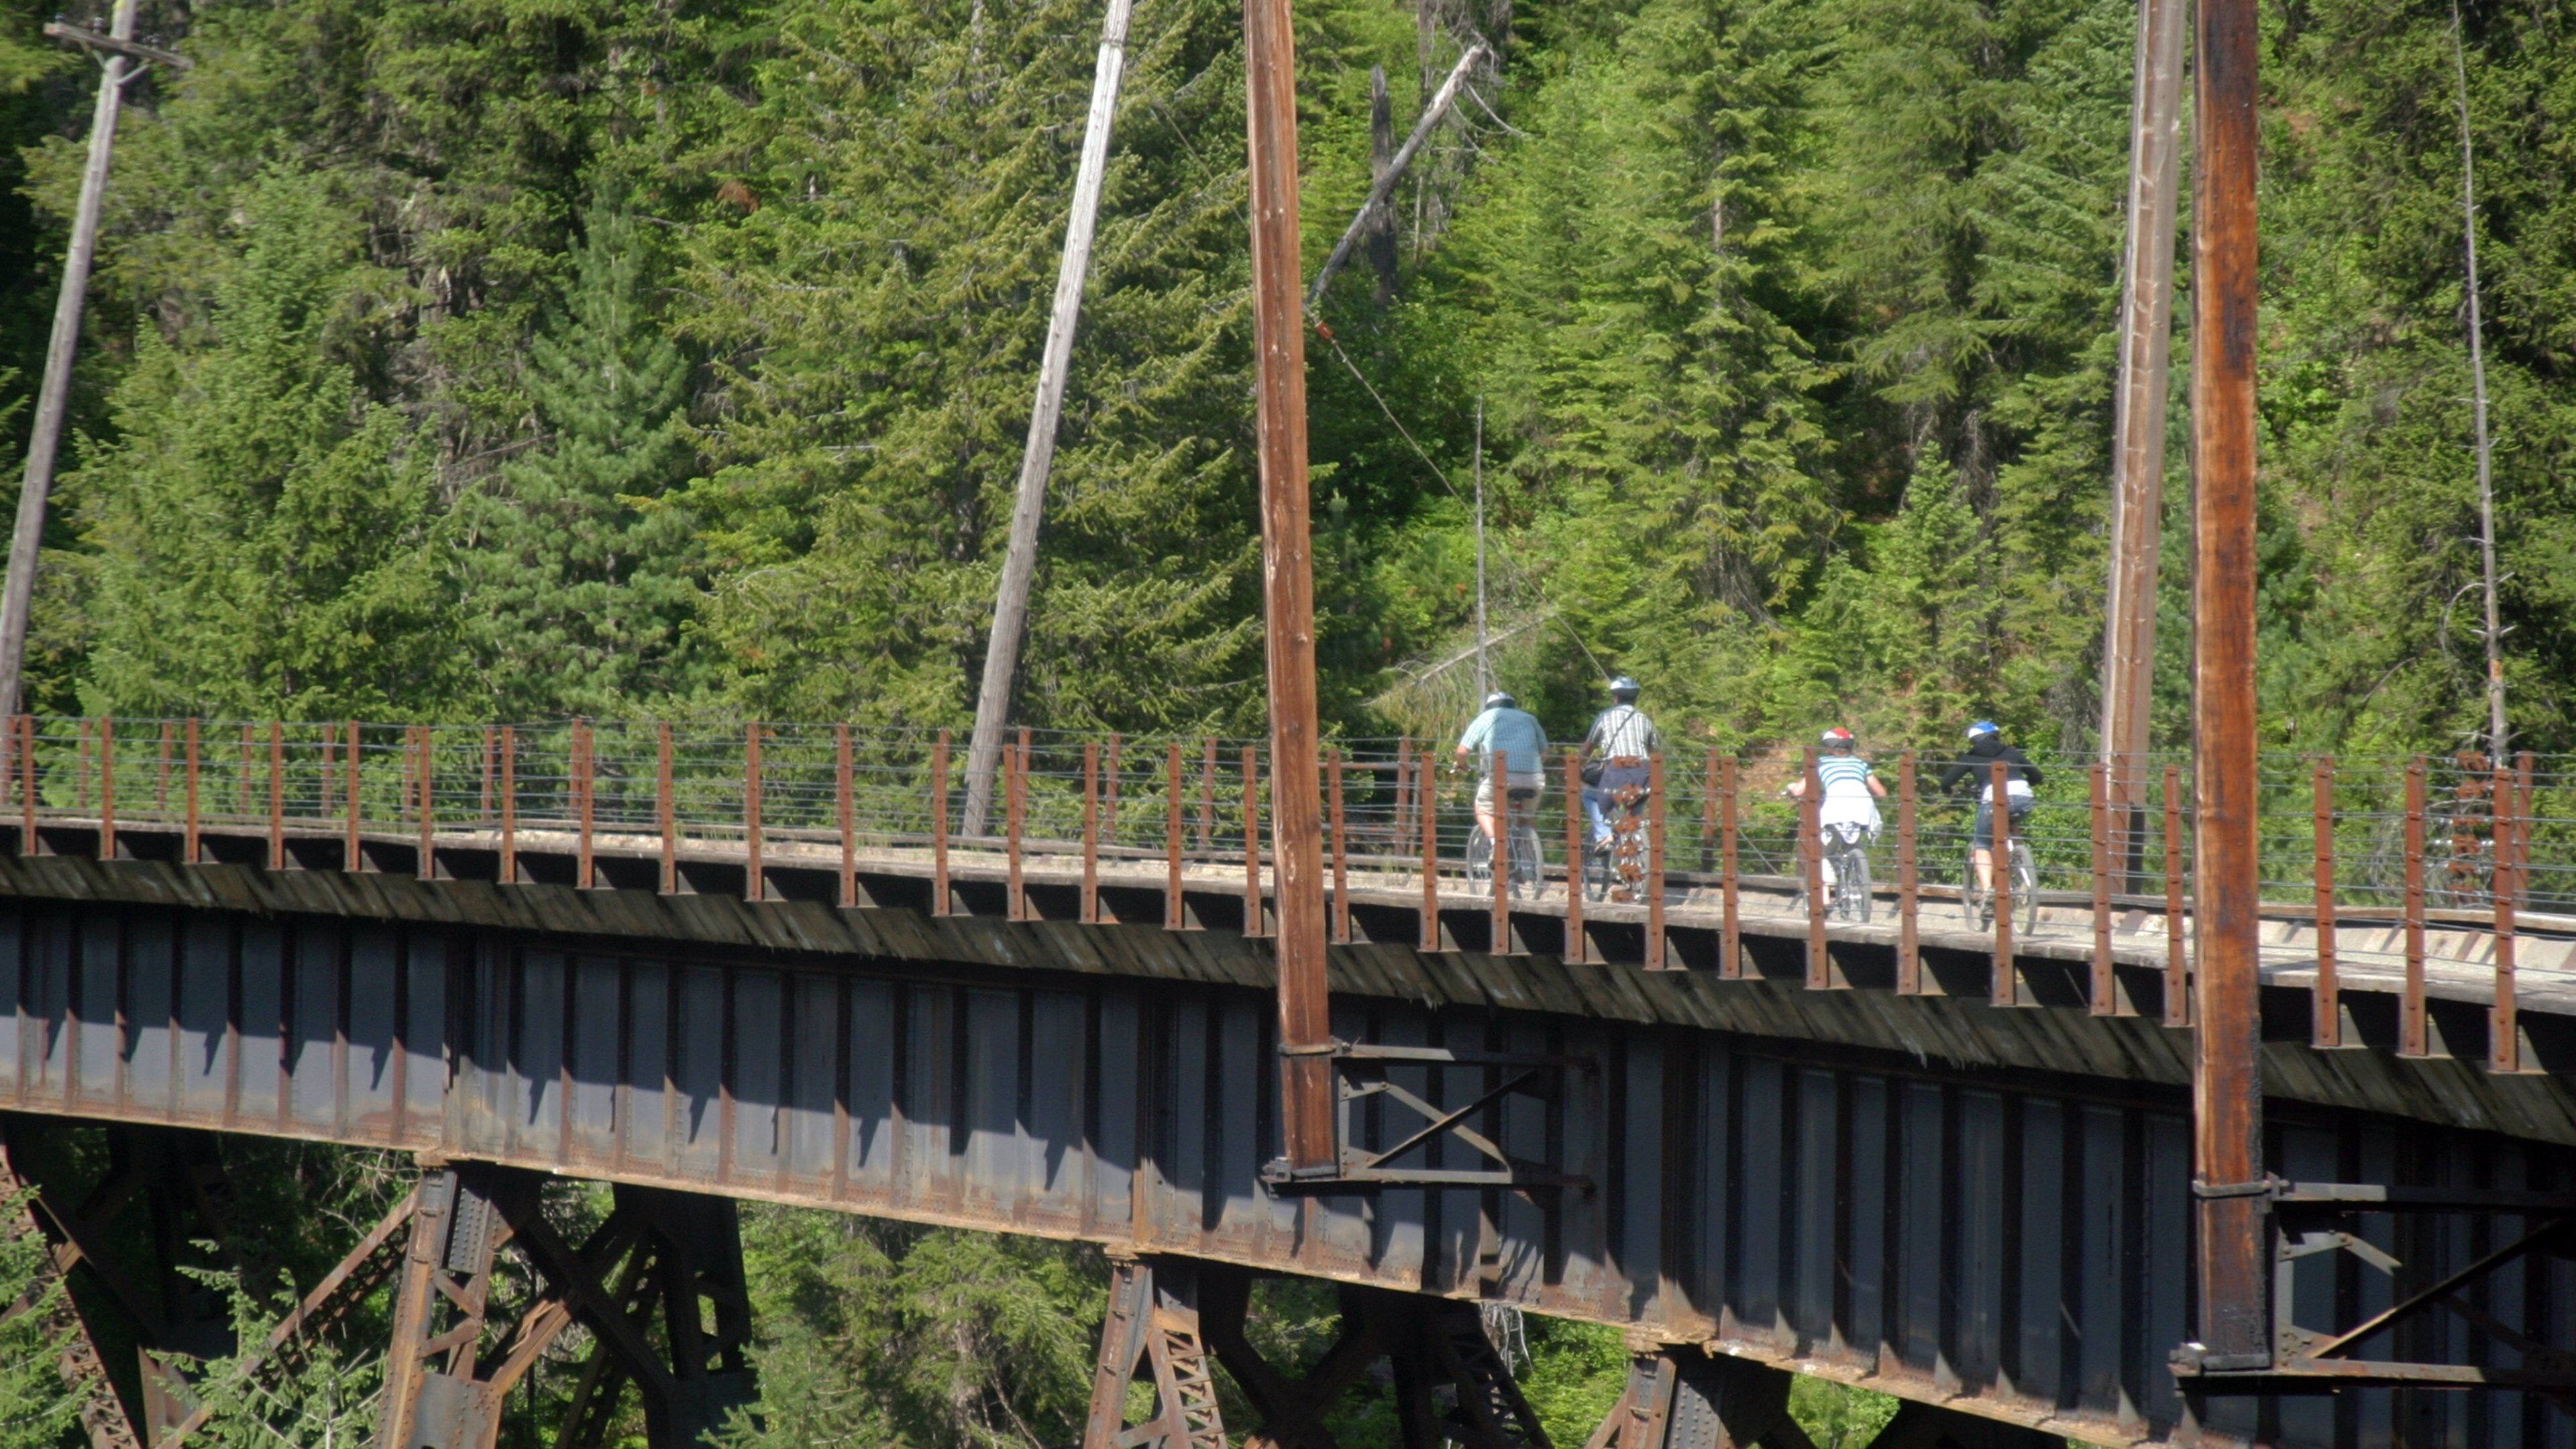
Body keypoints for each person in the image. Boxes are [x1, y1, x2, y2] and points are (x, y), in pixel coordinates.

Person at [1938, 720, 2043, 896]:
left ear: (1973, 740)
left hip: (1994, 800)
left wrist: (1948, 791)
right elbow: (2037, 775)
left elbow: (1947, 782)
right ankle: (2020, 861)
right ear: (1995, 736)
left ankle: (1988, 892)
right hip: (2023, 798)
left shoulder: (1970, 757)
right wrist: (2028, 784)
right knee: (2012, 824)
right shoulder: (2010, 752)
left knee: (1982, 844)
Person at [1784, 726, 1885, 890]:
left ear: (1828, 747)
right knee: (1854, 846)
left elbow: (1799, 790)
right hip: (1863, 808)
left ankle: (1825, 893)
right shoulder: (1861, 763)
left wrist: (1790, 788)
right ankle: (1859, 881)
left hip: (1836, 807)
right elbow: (1881, 792)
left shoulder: (1821, 762)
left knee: (1822, 851)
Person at [1455, 690, 1550, 849]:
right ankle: (1529, 856)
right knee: (1526, 817)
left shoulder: (1487, 717)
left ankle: (1496, 846)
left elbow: (1462, 752)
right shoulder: (1529, 718)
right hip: (1534, 778)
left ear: (1489, 706)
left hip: (1502, 778)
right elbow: (1545, 752)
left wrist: (1461, 764)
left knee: (1483, 808)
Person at [1580, 676, 1660, 851]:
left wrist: (1576, 766)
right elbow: (1656, 751)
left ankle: (1605, 836)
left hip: (1616, 770)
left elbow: (1588, 747)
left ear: (1615, 698)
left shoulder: (1605, 717)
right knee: (1634, 808)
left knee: (1590, 795)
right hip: (1643, 772)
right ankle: (1636, 845)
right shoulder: (1644, 719)